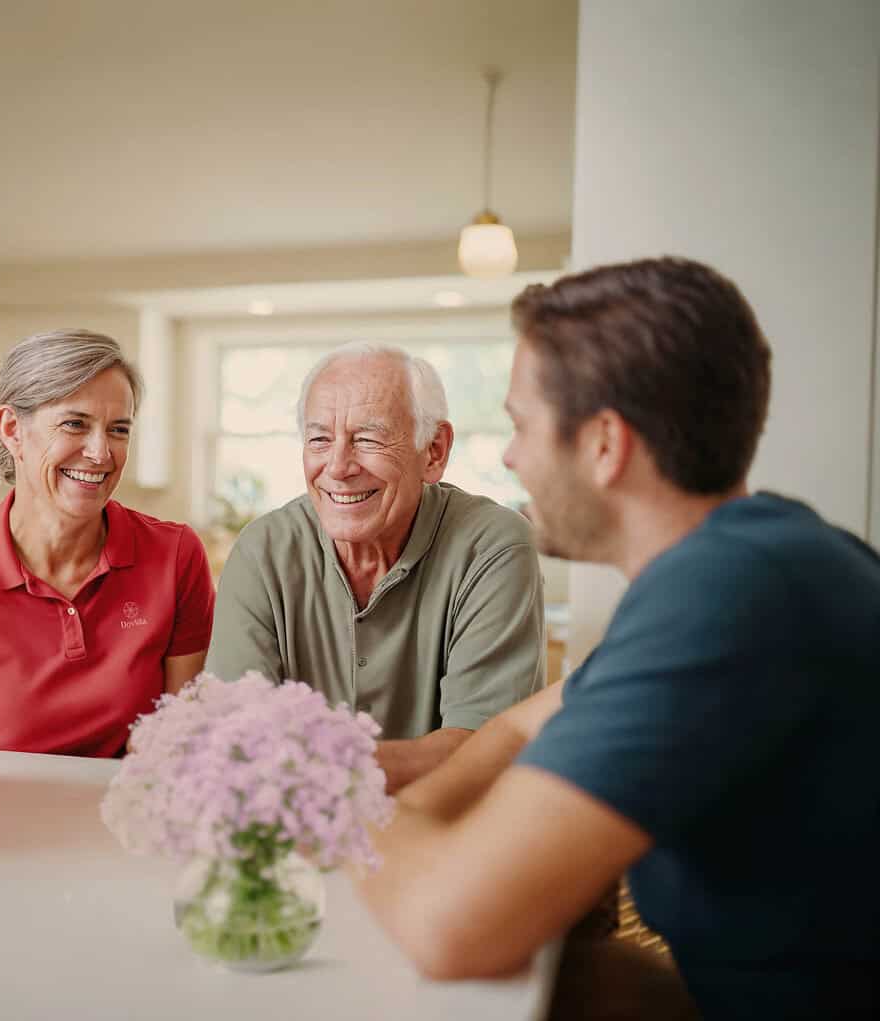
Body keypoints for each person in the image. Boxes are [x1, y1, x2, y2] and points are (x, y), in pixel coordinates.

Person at [355, 257, 880, 1019]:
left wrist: (332, 799)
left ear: (604, 443)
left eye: (521, 424)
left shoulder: (730, 592)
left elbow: (448, 928)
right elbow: (526, 722)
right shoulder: (756, 553)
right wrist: (413, 811)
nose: (510, 456)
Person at [206, 342, 545, 791]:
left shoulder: (493, 546)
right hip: (291, 836)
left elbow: (482, 752)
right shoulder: (263, 549)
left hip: (451, 833)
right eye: (320, 439)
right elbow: (234, 738)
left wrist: (299, 767)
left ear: (434, 451)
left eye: (368, 438)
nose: (339, 466)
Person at [0, 329, 214, 755]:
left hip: (136, 809)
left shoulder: (175, 556)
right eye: (75, 424)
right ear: (12, 429)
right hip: (4, 816)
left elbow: (180, 739)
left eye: (118, 429)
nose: (101, 452)